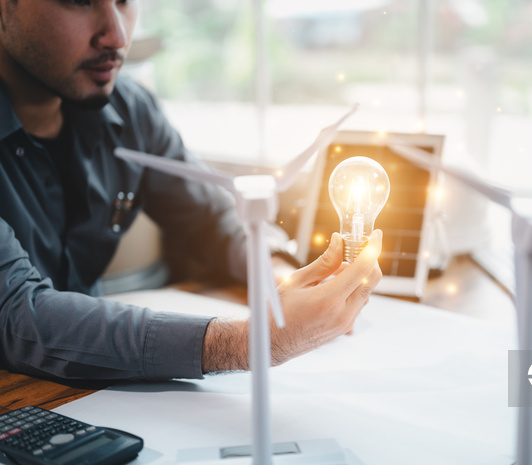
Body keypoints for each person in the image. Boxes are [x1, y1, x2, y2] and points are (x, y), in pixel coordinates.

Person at [0, 0, 383, 381]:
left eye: (124, 1)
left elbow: (212, 214)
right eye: (79, 1)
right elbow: (19, 315)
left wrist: (277, 274)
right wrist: (246, 342)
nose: (117, 35)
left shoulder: (130, 110)